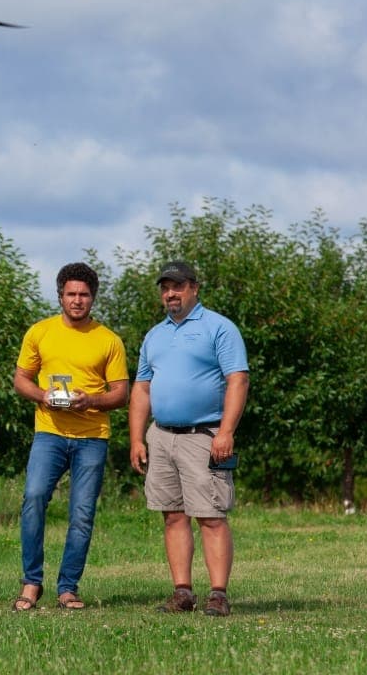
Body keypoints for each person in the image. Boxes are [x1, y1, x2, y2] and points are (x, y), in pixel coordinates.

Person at [129, 261, 249, 617]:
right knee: (173, 515)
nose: (171, 293)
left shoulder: (219, 328)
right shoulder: (155, 335)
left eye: (178, 286)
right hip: (162, 436)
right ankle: (182, 592)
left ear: (194, 288)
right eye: (165, 287)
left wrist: (226, 431)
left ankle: (218, 594)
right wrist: (137, 439)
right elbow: (142, 387)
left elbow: (238, 381)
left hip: (204, 436)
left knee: (210, 515)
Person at [11, 262, 129, 611]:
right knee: (33, 499)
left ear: (93, 298)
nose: (77, 301)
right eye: (71, 294)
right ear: (60, 295)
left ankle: (68, 588)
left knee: (81, 514)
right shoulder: (40, 332)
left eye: (84, 295)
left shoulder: (108, 339)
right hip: (49, 432)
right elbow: (21, 379)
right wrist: (42, 396)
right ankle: (31, 582)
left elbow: (121, 394)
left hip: (93, 436)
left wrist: (90, 400)